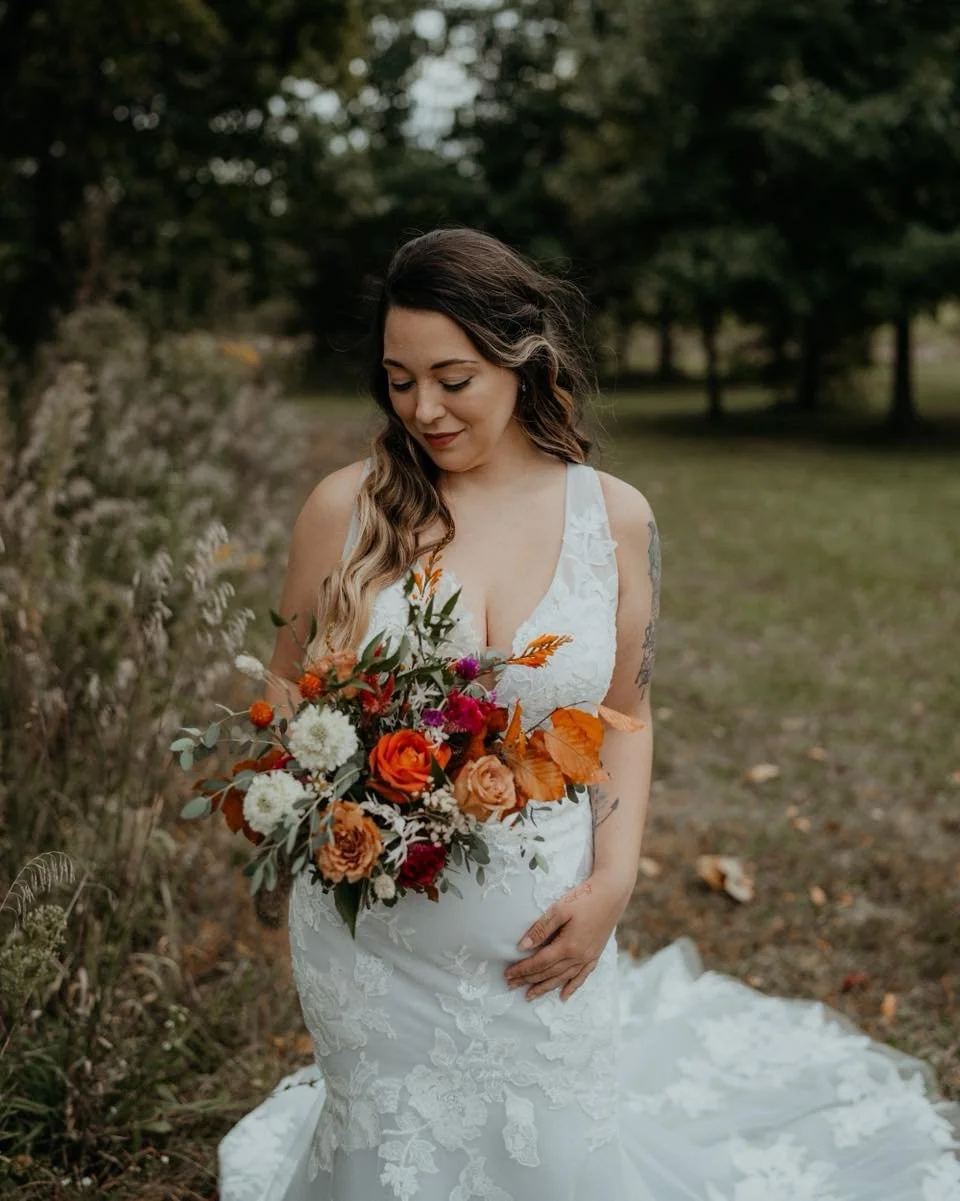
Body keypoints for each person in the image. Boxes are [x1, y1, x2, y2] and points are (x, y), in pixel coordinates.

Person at [218, 228, 960, 1201]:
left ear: (522, 359)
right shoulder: (345, 510)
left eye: (453, 378)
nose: (424, 409)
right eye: (400, 381)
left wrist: (614, 881)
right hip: (372, 937)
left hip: (544, 932)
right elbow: (284, 688)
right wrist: (316, 794)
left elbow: (625, 715)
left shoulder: (614, 519)